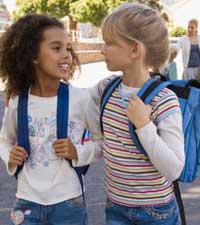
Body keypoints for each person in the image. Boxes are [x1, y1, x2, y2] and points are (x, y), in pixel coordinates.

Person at [0, 13, 102, 225]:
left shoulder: (80, 99)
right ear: (33, 55)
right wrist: (10, 155)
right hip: (26, 202)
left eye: (68, 49)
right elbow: (4, 139)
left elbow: (102, 143)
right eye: (56, 48)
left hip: (69, 204)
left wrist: (78, 152)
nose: (66, 55)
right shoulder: (19, 102)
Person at [89, 3, 185, 225]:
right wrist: (23, 88)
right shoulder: (106, 88)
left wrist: (144, 125)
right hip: (115, 207)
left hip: (156, 212)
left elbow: (174, 169)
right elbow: (72, 100)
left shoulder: (164, 100)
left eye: (110, 43)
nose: (103, 50)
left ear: (134, 50)